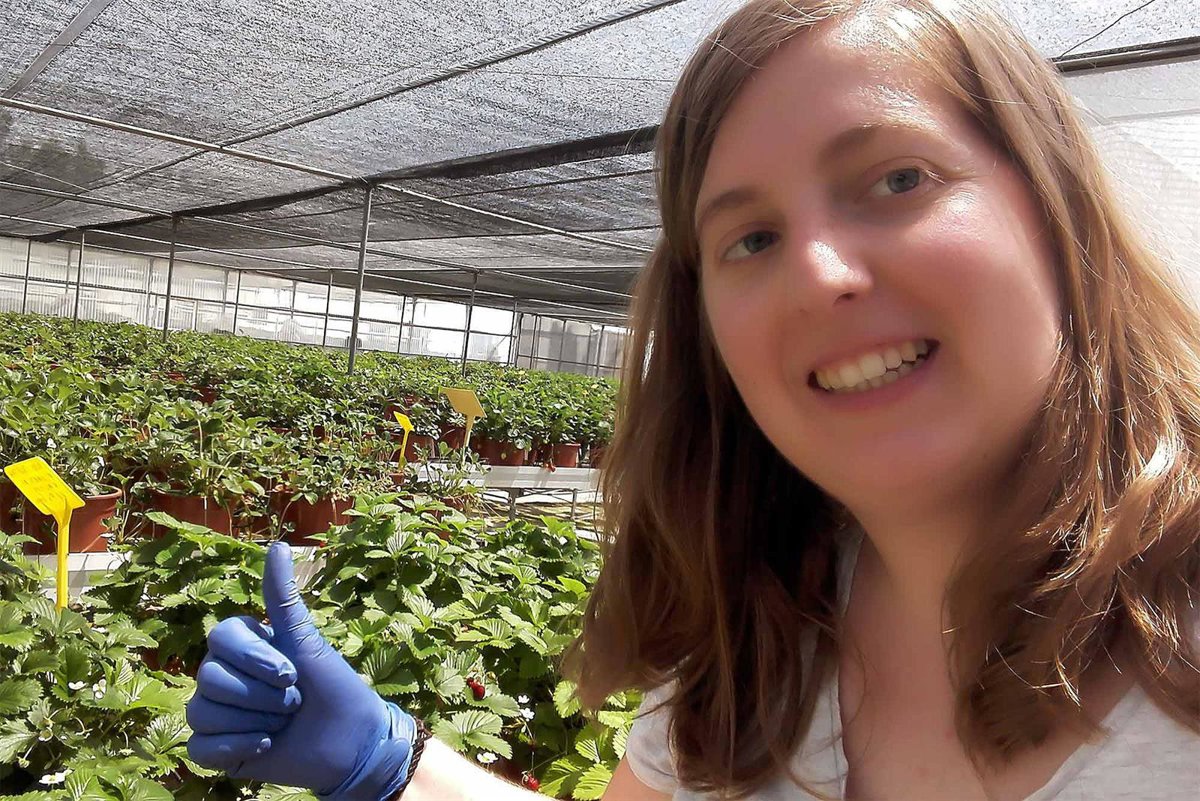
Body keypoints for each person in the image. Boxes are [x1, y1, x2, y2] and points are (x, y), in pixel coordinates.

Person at [185, 0, 1200, 798]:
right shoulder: (759, 630)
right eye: (750, 238)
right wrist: (389, 761)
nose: (818, 274)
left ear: (1057, 207)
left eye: (899, 179)